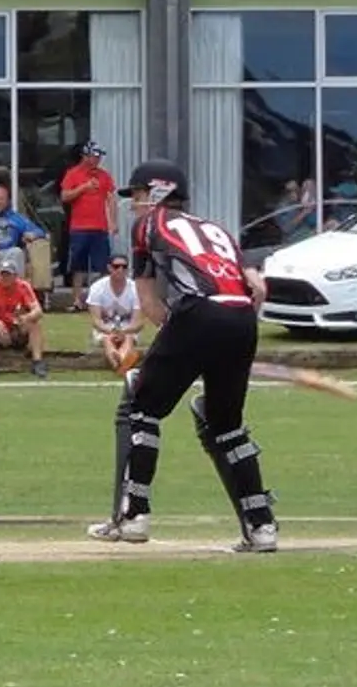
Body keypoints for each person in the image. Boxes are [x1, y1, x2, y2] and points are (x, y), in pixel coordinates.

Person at [88, 159, 280, 554]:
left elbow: (149, 303)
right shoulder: (217, 229)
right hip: (241, 317)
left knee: (141, 406)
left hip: (198, 312)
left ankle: (133, 516)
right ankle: (261, 526)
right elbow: (257, 288)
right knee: (226, 425)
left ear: (158, 192)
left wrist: (181, 337)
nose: (134, 203)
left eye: (138, 194)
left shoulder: (149, 225)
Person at [60, 141, 117, 311]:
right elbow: (65, 196)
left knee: (103, 265)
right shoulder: (73, 174)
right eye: (94, 156)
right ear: (85, 156)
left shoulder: (104, 176)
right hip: (79, 227)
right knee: (78, 265)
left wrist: (113, 221)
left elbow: (111, 199)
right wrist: (83, 187)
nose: (97, 160)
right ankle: (77, 300)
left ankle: (102, 300)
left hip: (100, 226)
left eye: (99, 157)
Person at [0, 260, 46, 378]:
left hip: (17, 328)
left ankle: (37, 361)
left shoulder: (23, 287)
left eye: (8, 275)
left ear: (15, 276)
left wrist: (26, 317)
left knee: (35, 323)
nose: (5, 278)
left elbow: (38, 310)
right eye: (3, 275)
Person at [86, 254, 145, 372]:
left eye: (124, 267)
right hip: (105, 328)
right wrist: (111, 331)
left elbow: (138, 323)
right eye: (116, 266)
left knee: (128, 338)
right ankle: (121, 362)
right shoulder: (97, 288)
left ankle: (118, 362)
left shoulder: (135, 289)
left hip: (128, 328)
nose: (120, 270)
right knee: (107, 340)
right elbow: (96, 321)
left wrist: (124, 331)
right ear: (109, 268)